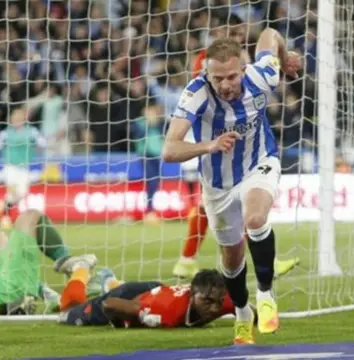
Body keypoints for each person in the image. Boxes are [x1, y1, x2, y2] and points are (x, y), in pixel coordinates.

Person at [162, 28, 302, 344]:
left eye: (232, 77)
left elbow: (269, 33)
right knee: (232, 257)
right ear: (206, 74)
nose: (226, 85)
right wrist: (209, 145)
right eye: (218, 79)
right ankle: (242, 314)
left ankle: (265, 295)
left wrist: (284, 56)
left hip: (259, 161)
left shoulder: (263, 74)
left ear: (243, 68)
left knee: (255, 219)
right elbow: (170, 150)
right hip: (217, 184)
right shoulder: (196, 93)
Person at [57, 260, 243, 328]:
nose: (214, 308)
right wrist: (119, 325)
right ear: (193, 294)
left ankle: (107, 281)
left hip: (155, 291)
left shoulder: (221, 298)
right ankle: (80, 267)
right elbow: (110, 305)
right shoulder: (165, 311)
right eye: (208, 301)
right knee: (67, 313)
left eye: (218, 302)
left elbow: (249, 311)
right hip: (129, 297)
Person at [0, 107, 48, 229]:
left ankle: (2, 206)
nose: (17, 121)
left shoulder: (31, 132)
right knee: (12, 192)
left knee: (21, 193)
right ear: (11, 119)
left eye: (19, 118)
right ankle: (5, 219)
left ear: (24, 119)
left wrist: (39, 144)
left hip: (24, 167)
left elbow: (43, 143)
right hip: (10, 166)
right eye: (15, 118)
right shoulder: (5, 134)